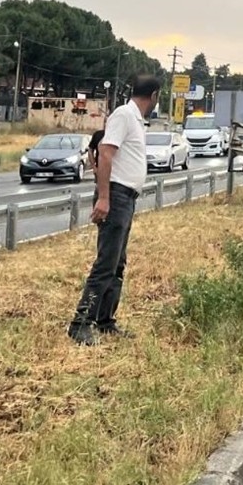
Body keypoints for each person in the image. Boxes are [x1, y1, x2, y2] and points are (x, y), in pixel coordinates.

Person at [67, 75, 160, 345]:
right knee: (105, 264)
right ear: (154, 95)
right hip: (116, 196)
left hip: (126, 197)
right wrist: (104, 198)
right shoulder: (124, 115)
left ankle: (105, 320)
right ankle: (81, 323)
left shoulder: (136, 119)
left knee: (117, 264)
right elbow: (105, 152)